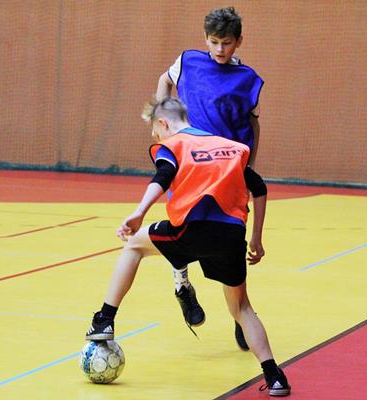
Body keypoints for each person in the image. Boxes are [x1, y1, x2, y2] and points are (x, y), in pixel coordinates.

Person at [85, 97, 290, 397]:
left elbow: (163, 177)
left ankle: (104, 319)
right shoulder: (228, 147)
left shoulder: (174, 146)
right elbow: (259, 188)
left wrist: (139, 212)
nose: (157, 139)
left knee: (134, 245)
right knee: (242, 308)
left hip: (191, 231)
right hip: (231, 236)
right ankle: (274, 377)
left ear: (163, 123)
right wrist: (256, 238)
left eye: (156, 133)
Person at [156, 6, 264, 351]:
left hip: (227, 172)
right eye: (214, 42)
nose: (220, 49)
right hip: (190, 165)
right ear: (205, 39)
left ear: (239, 41)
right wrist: (163, 120)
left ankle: (240, 312)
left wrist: (248, 166)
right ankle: (182, 287)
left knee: (229, 240)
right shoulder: (188, 61)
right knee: (182, 226)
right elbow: (165, 81)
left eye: (226, 43)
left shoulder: (247, 79)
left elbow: (253, 125)